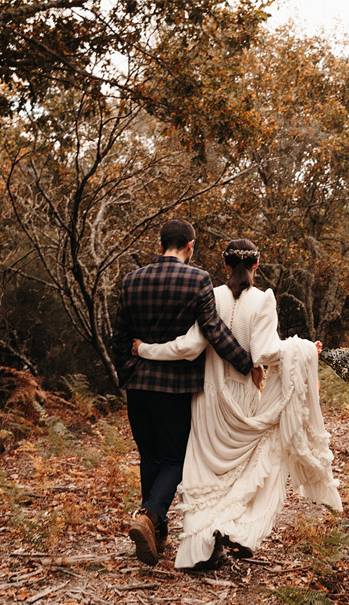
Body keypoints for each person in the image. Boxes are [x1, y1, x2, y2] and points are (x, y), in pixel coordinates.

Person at [132, 239, 342, 569]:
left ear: (225, 266)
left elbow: (189, 347)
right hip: (244, 398)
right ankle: (236, 532)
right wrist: (303, 349)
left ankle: (199, 551)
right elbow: (264, 353)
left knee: (204, 473)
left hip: (207, 399)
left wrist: (144, 349)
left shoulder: (209, 295)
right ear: (256, 266)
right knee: (251, 466)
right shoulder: (263, 300)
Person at [111, 220, 262, 567]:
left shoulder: (131, 280)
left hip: (138, 386)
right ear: (190, 246)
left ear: (160, 243)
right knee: (175, 460)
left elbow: (119, 336)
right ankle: (149, 517)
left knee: (149, 456)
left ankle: (156, 532)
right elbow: (213, 331)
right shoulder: (197, 280)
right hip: (175, 388)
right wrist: (246, 363)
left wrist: (127, 374)